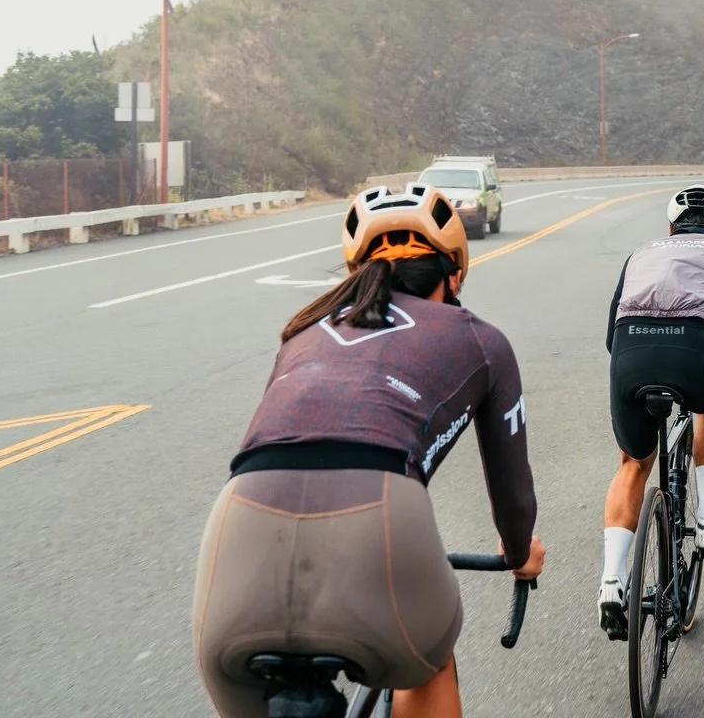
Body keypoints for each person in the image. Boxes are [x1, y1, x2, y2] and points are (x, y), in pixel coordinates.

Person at [192, 182, 546, 718]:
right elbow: (513, 492)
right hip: (379, 520)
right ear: (453, 273)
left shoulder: (302, 333)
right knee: (428, 661)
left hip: (236, 530)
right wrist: (519, 556)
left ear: (358, 271)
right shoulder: (479, 338)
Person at [597, 185, 704, 640]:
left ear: (670, 229)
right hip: (693, 351)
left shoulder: (641, 252)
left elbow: (612, 333)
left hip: (630, 353)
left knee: (633, 465)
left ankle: (612, 581)